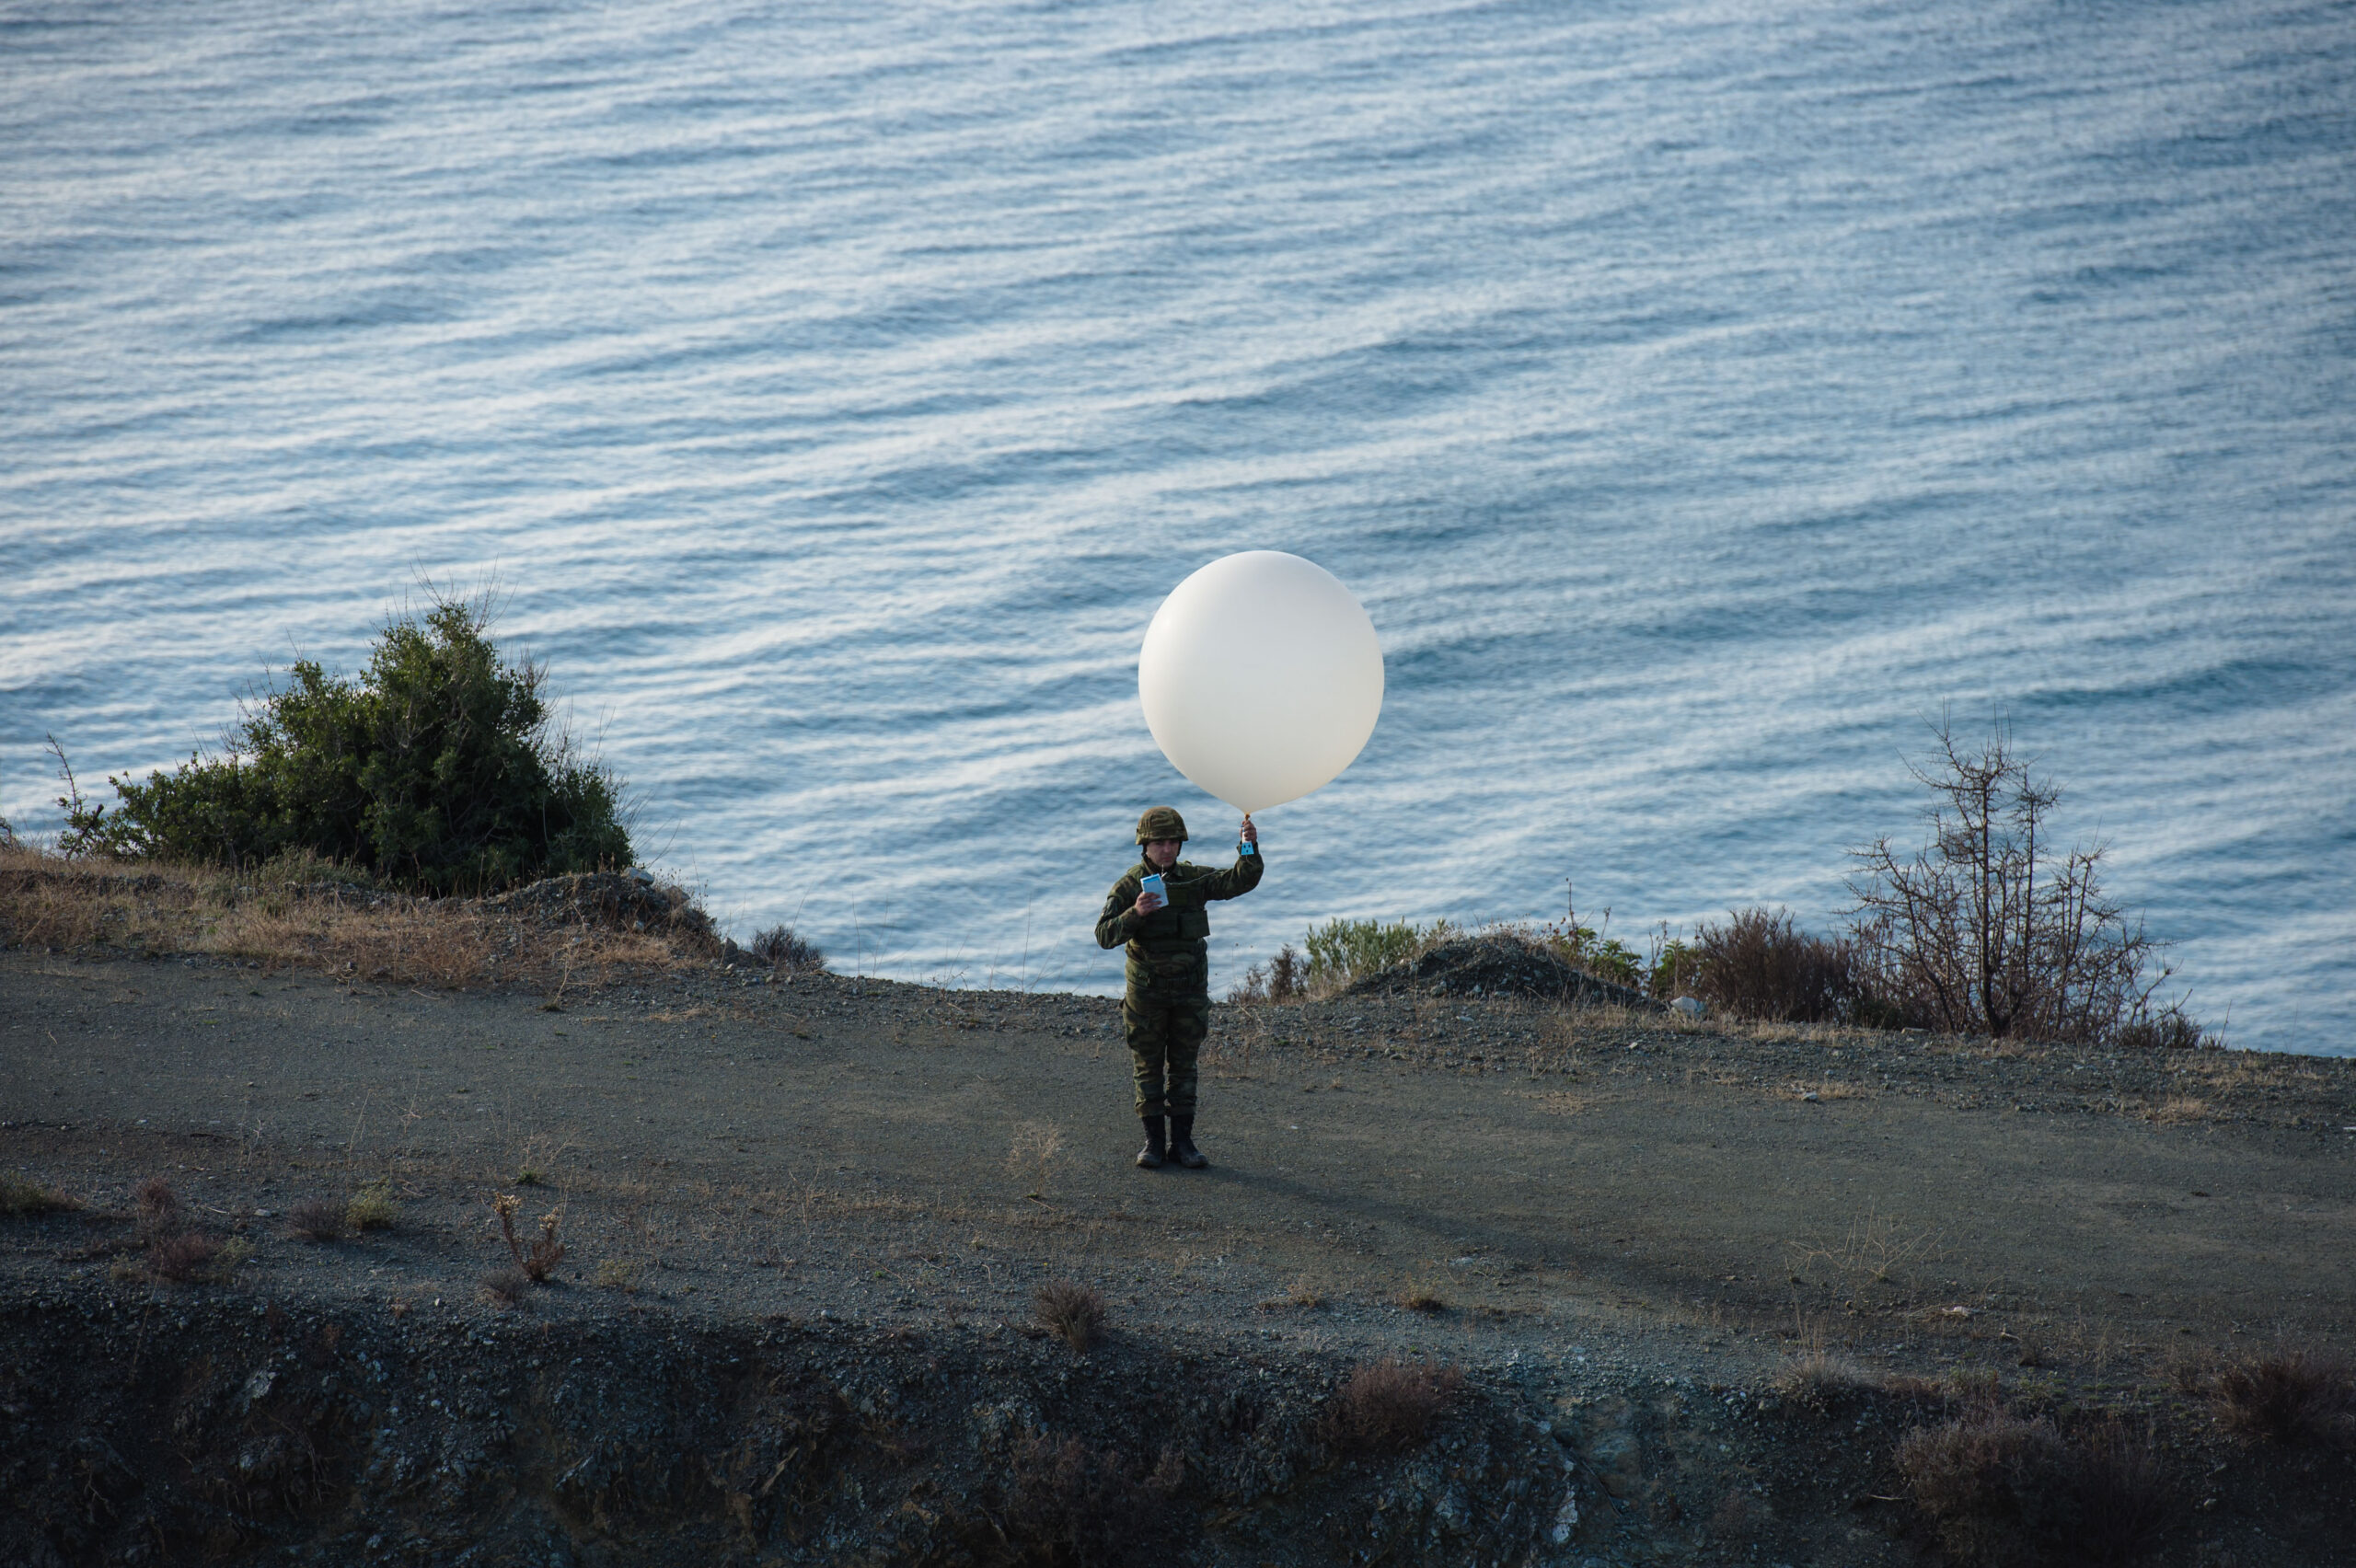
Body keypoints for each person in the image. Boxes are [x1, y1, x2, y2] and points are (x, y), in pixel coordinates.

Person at [1093, 805, 1263, 1169]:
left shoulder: (1192, 879)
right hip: (1147, 994)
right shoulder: (1128, 886)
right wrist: (1135, 913)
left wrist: (1247, 845)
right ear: (1145, 845)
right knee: (1148, 1065)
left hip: (1188, 991)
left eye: (1173, 842)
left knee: (1185, 1066)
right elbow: (1104, 935)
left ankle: (1183, 1144)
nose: (1167, 849)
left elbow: (1240, 880)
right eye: (1159, 842)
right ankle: (1154, 1143)